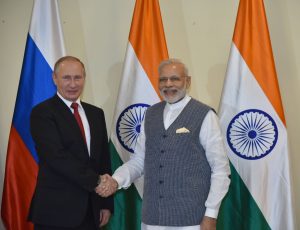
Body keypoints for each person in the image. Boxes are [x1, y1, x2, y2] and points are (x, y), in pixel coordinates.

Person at [96, 58, 231, 230]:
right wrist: (115, 181)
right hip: (152, 219)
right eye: (163, 79)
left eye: (175, 78)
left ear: (187, 81)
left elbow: (220, 169)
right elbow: (139, 160)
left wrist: (211, 214)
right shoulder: (151, 114)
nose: (168, 84)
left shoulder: (205, 115)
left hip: (191, 220)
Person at [28, 56, 113, 230]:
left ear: (84, 78)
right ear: (55, 78)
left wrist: (105, 203)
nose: (73, 84)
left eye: (78, 77)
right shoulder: (42, 113)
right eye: (66, 78)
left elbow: (103, 159)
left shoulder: (96, 113)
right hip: (56, 212)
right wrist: (97, 181)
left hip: (92, 210)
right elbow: (56, 157)